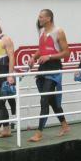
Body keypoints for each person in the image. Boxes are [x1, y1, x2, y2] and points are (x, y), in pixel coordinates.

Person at [29, 9, 70, 142]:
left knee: (44, 100)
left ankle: (39, 132)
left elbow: (66, 53)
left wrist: (49, 56)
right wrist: (33, 58)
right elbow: (41, 49)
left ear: (48, 18)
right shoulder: (42, 31)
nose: (39, 19)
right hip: (42, 69)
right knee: (51, 100)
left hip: (53, 69)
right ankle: (65, 125)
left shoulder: (59, 31)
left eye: (41, 17)